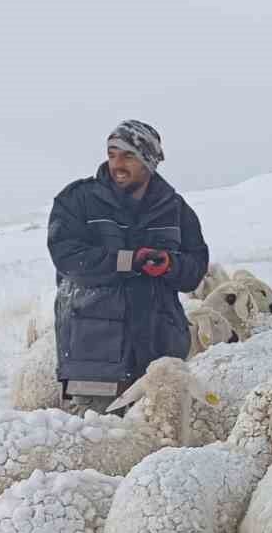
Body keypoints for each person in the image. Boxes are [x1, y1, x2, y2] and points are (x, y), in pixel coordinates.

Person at [47, 120, 209, 410]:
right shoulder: (77, 201)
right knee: (101, 446)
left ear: (149, 159)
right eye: (112, 154)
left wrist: (170, 265)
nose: (117, 164)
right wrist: (129, 261)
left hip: (160, 354)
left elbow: (195, 269)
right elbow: (68, 257)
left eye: (128, 155)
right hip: (96, 355)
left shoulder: (175, 209)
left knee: (161, 445)